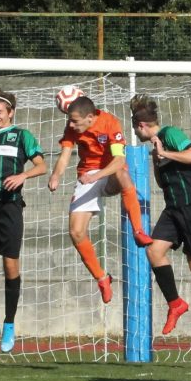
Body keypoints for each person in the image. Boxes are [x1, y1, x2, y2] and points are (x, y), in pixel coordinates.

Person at [129, 95, 191, 350]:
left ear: (142, 126)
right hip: (174, 208)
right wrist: (157, 159)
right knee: (154, 252)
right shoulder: (155, 147)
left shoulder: (171, 133)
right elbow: (160, 182)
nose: (135, 132)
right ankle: (176, 304)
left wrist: (165, 151)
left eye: (135, 128)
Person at [47, 96, 153, 304]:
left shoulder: (110, 123)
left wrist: (96, 176)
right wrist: (56, 175)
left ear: (89, 117)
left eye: (75, 121)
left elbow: (119, 160)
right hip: (87, 175)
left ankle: (138, 230)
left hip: (109, 173)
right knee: (76, 232)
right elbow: (65, 156)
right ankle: (102, 278)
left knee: (123, 174)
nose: (71, 124)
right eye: (70, 120)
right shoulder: (72, 127)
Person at [0, 89, 47, 353]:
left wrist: (22, 176)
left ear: (10, 112)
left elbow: (41, 165)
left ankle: (10, 324)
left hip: (9, 208)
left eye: (0, 112)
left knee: (10, 264)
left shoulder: (22, 136)